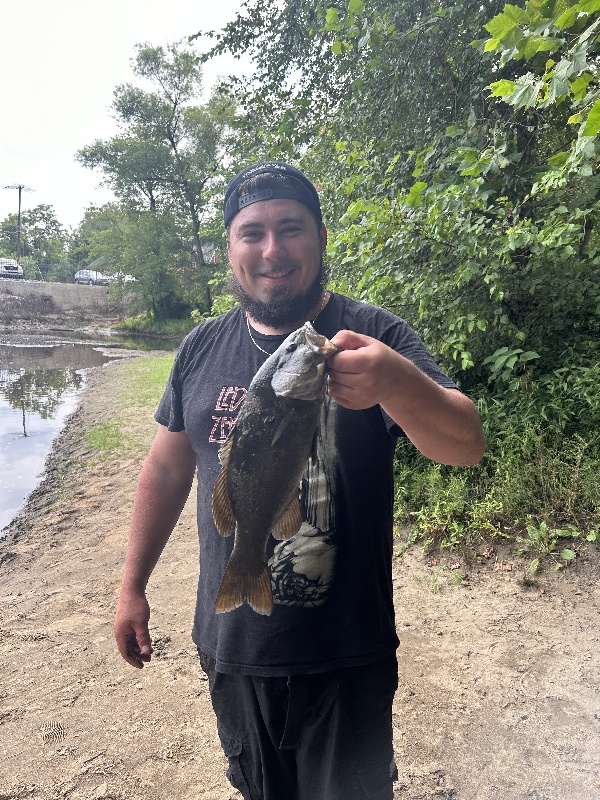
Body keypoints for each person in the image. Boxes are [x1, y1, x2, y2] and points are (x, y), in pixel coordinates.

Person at [114, 161, 486, 800]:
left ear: (318, 237)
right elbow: (168, 467)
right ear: (229, 248)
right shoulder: (201, 347)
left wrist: (396, 381)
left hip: (347, 650)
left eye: (290, 229)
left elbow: (466, 444)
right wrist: (131, 586)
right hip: (232, 647)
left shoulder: (375, 335)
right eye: (251, 232)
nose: (272, 250)